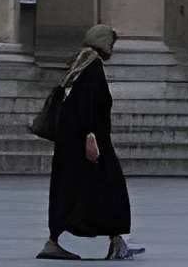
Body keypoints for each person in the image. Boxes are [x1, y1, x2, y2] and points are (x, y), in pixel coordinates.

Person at [40, 23, 144, 261]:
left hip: (71, 145)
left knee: (72, 192)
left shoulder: (80, 64)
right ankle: (116, 241)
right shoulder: (92, 66)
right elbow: (87, 106)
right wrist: (90, 138)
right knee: (111, 189)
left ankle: (59, 240)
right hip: (91, 143)